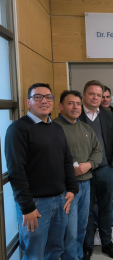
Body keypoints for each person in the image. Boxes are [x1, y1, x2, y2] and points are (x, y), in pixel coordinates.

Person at [5, 83, 79, 259]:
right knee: (34, 254)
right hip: (36, 205)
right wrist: (27, 206)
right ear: (28, 101)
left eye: (48, 97)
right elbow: (16, 170)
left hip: (60, 201)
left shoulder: (57, 128)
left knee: (55, 249)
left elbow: (67, 160)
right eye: (37, 97)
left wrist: (72, 189)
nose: (44, 101)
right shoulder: (18, 129)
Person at [54, 90, 103, 260]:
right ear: (60, 106)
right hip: (67, 189)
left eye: (77, 103)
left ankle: (78, 256)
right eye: (70, 103)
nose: (75, 107)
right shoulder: (54, 128)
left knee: (82, 227)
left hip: (86, 184)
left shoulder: (85, 127)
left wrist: (89, 165)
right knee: (70, 230)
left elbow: (98, 151)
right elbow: (50, 159)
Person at [79, 80, 113, 260]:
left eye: (99, 95)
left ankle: (107, 243)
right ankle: (87, 245)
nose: (96, 97)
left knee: (106, 208)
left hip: (105, 169)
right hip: (83, 171)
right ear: (84, 95)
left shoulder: (108, 115)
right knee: (86, 210)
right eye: (92, 94)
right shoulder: (76, 113)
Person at [96, 85, 113, 244]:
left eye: (107, 97)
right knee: (95, 200)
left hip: (112, 165)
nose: (104, 99)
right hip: (94, 167)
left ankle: (112, 227)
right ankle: (98, 229)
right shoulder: (90, 115)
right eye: (102, 97)